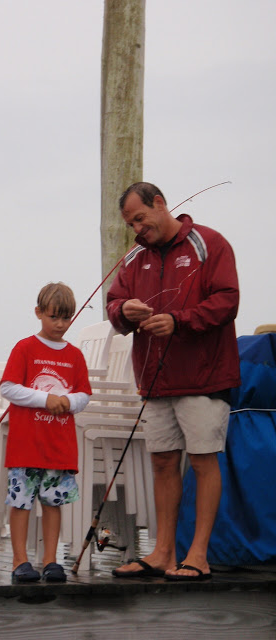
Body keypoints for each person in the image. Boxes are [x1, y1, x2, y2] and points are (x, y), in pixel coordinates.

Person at [106, 182, 240, 582]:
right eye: (130, 224)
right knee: (163, 462)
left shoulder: (210, 243)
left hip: (204, 377)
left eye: (140, 219)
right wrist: (123, 310)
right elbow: (113, 304)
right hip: (155, 379)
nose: (137, 229)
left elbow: (227, 300)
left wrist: (179, 321)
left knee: (202, 460)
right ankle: (164, 552)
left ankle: (198, 555)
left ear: (160, 204)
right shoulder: (134, 258)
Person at [0, 282, 92, 583]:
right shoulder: (24, 348)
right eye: (54, 317)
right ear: (38, 313)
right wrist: (45, 399)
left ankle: (51, 560)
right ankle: (20, 560)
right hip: (25, 447)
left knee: (54, 503)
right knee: (20, 502)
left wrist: (68, 402)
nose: (60, 324)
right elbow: (8, 388)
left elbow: (84, 395)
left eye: (66, 318)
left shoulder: (75, 355)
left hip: (59, 447)